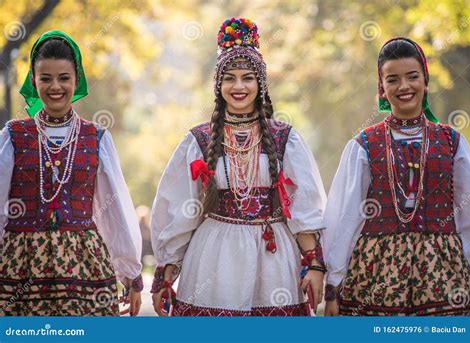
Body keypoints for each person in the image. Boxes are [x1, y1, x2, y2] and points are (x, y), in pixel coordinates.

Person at [150, 18, 327, 316]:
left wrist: (314, 263)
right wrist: (166, 273)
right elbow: (182, 209)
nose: (239, 86)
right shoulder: (199, 139)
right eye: (229, 78)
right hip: (213, 258)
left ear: (261, 84)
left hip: (273, 260)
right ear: (218, 85)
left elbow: (303, 208)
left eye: (248, 78)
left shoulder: (286, 138)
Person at [324, 37, 470, 316]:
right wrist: (332, 283)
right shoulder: (363, 145)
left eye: (412, 77)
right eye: (393, 79)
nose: (404, 86)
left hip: (445, 279)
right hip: (374, 280)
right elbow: (346, 218)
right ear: (381, 87)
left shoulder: (452, 142)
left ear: (425, 81)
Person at [0, 30, 143, 316]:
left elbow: (113, 209)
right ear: (33, 80)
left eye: (64, 78)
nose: (55, 87)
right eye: (46, 78)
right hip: (21, 266)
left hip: (85, 265)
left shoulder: (96, 137)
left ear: (76, 80)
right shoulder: (13, 135)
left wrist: (129, 272)